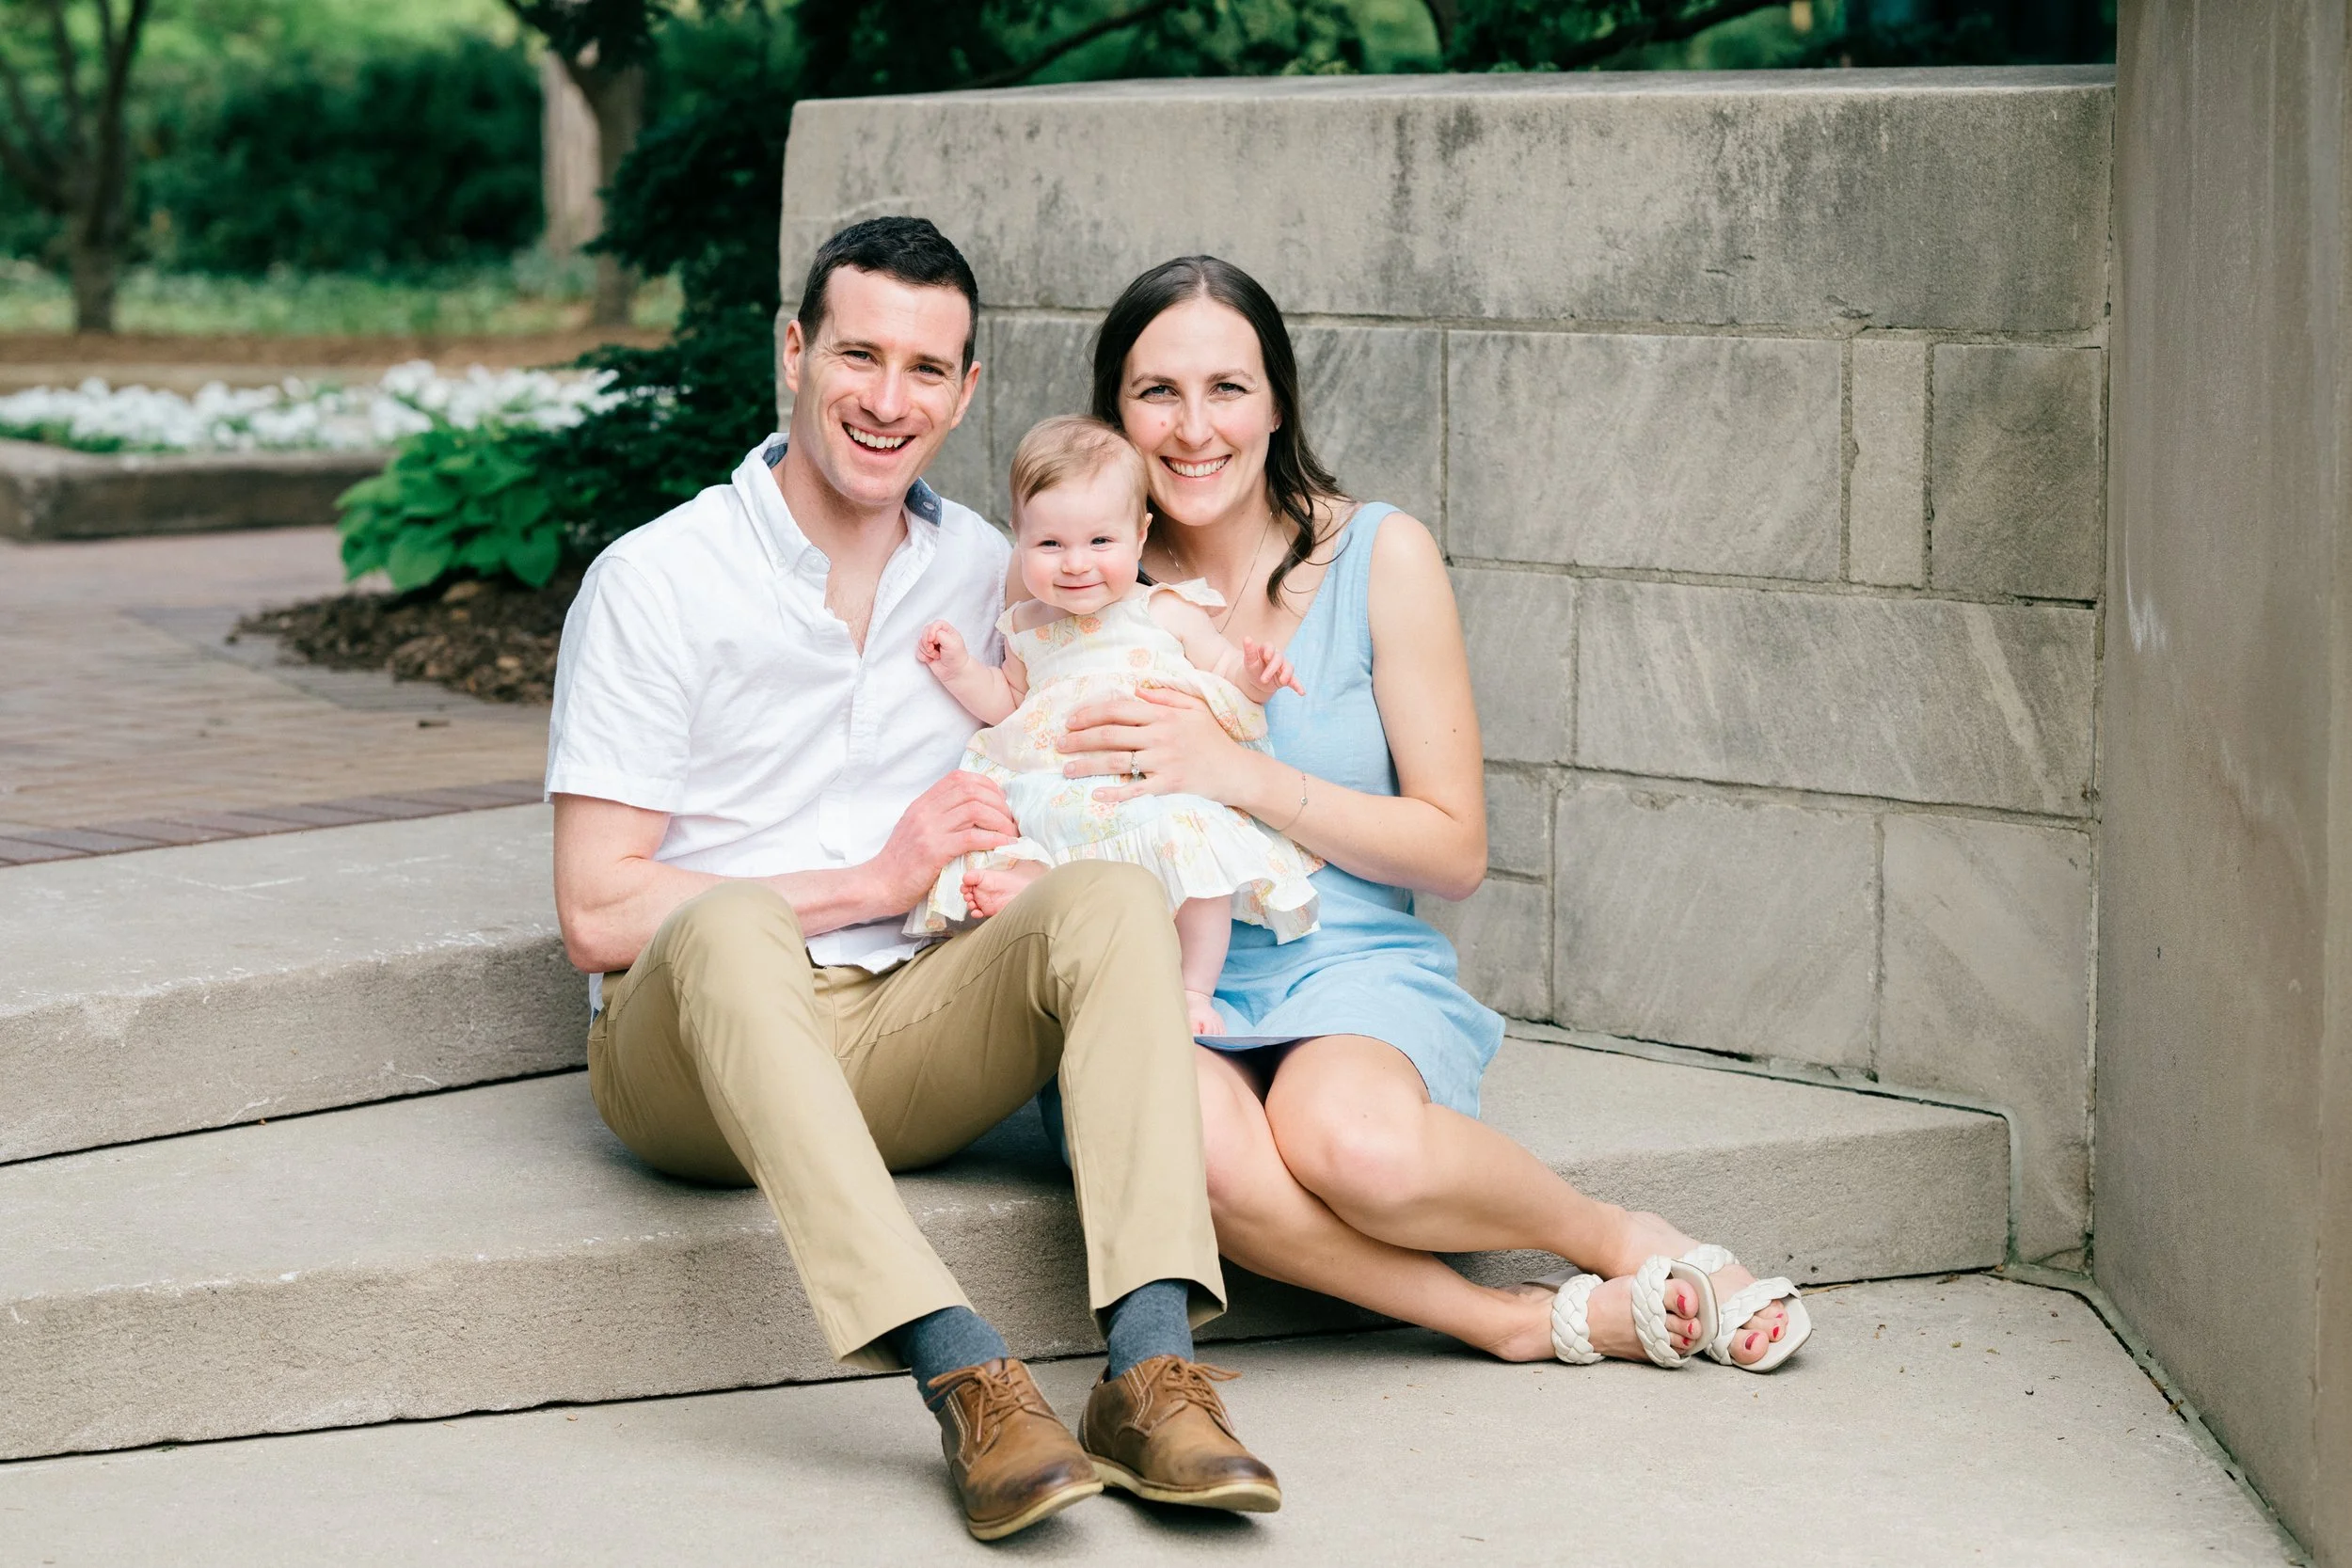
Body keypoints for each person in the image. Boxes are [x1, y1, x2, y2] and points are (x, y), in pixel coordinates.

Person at [545, 218, 1280, 1544]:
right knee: (728, 921)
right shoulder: (656, 579)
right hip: (691, 1054)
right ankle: (964, 1368)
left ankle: (1150, 1373)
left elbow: (1106, 708)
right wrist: (874, 873)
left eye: (927, 369)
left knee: (1112, 897)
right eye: (859, 356)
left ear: (967, 390)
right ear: (793, 351)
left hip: (907, 1024)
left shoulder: (1005, 571)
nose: (890, 400)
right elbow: (598, 911)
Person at [1054, 254, 1811, 1375]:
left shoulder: (1379, 554)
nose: (1193, 427)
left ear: (1277, 403)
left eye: (1228, 388)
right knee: (1198, 1153)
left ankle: (1617, 1236)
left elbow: (1454, 849)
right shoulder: (1074, 574)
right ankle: (1507, 1319)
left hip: (1342, 961)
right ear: (1114, 411)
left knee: (1351, 1143)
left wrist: (1237, 773)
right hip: (1154, 972)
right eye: (1156, 391)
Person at [911, 413, 1321, 1036]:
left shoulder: (1162, 608)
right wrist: (961, 667)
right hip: (1062, 784)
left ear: (1140, 534)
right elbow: (1009, 703)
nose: (1076, 563)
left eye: (1101, 542)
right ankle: (1041, 886)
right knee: (1018, 827)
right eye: (1050, 545)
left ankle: (1193, 989)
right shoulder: (1025, 626)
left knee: (1199, 861)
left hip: (1149, 791)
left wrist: (1257, 675)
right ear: (1019, 538)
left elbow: (1223, 670)